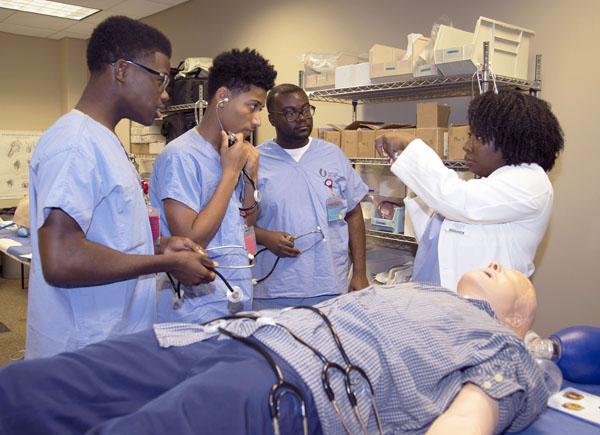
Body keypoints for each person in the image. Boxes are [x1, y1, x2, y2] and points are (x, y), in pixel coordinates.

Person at [0, 262, 551, 435]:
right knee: (25, 391)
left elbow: (467, 424)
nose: (499, 263)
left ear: (517, 320)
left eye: (516, 277)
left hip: (292, 385)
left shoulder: (505, 350)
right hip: (218, 339)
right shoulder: (421, 289)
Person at [25, 16, 216, 359]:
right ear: (123, 70)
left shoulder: (104, 140)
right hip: (82, 353)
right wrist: (162, 265)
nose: (166, 93)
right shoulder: (75, 144)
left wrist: (160, 248)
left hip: (113, 342)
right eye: (160, 79)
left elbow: (105, 239)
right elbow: (61, 259)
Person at [376, 90, 564, 291]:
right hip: (440, 302)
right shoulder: (488, 184)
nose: (467, 146)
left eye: (479, 137)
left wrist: (410, 144)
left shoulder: (531, 183)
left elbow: (456, 199)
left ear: (511, 141)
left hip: (485, 309)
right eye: (470, 135)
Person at [149, 48, 277, 323]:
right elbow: (191, 242)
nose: (257, 120)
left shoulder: (233, 150)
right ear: (222, 97)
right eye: (252, 106)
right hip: (194, 309)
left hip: (234, 294)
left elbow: (247, 222)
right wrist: (230, 172)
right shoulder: (180, 156)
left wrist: (248, 174)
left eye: (260, 110)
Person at [252, 84, 369, 310]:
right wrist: (265, 237)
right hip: (274, 289)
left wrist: (360, 274)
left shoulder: (333, 156)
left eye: (305, 110)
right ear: (272, 119)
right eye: (290, 113)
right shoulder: (256, 160)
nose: (302, 118)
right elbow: (237, 222)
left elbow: (353, 213)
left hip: (330, 286)